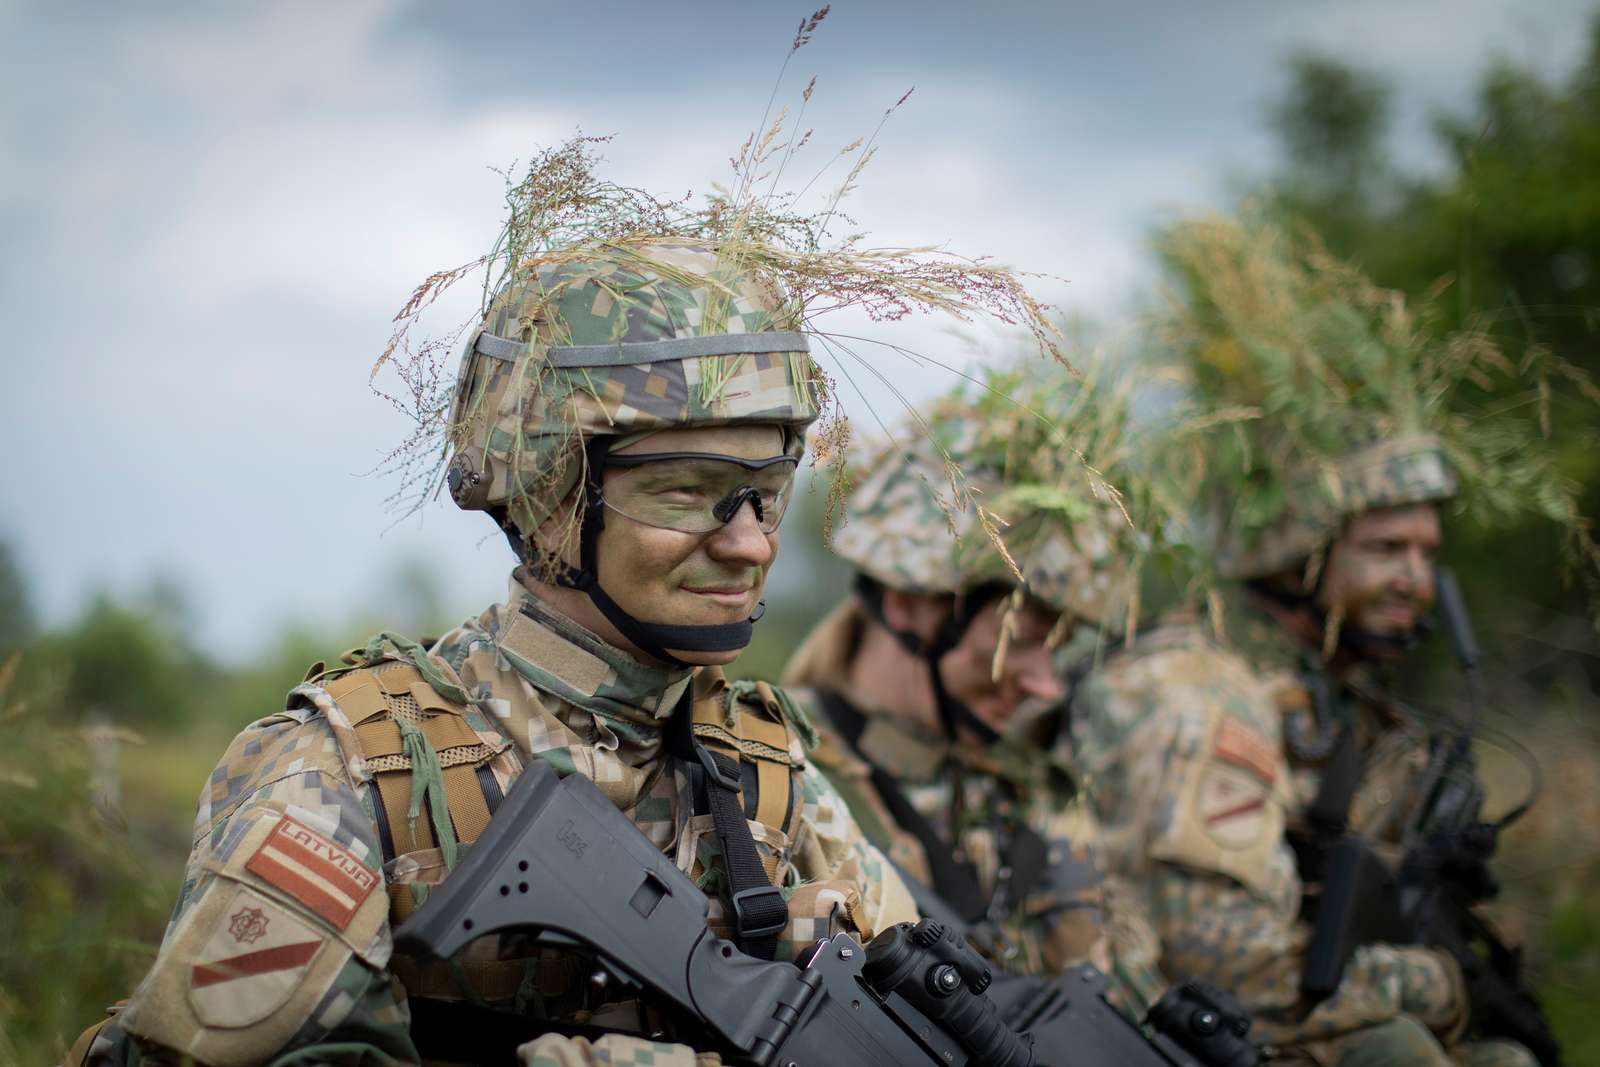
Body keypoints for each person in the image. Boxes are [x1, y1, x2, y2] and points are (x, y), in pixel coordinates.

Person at [72, 216, 1084, 1064]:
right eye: (685, 490)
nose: (746, 543)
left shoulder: (769, 775)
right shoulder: (347, 773)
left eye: (765, 494)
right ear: (555, 500)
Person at [1066, 215, 1586, 1067]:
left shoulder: (1334, 701)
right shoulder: (1203, 689)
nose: (1416, 578)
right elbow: (1234, 968)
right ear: (1300, 555)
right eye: (1385, 549)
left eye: (1426, 552)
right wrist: (1441, 983)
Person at [781, 368, 1168, 1011]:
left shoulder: (1031, 800)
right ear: (908, 604)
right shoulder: (778, 779)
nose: (1045, 684)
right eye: (1021, 638)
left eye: (1057, 646)